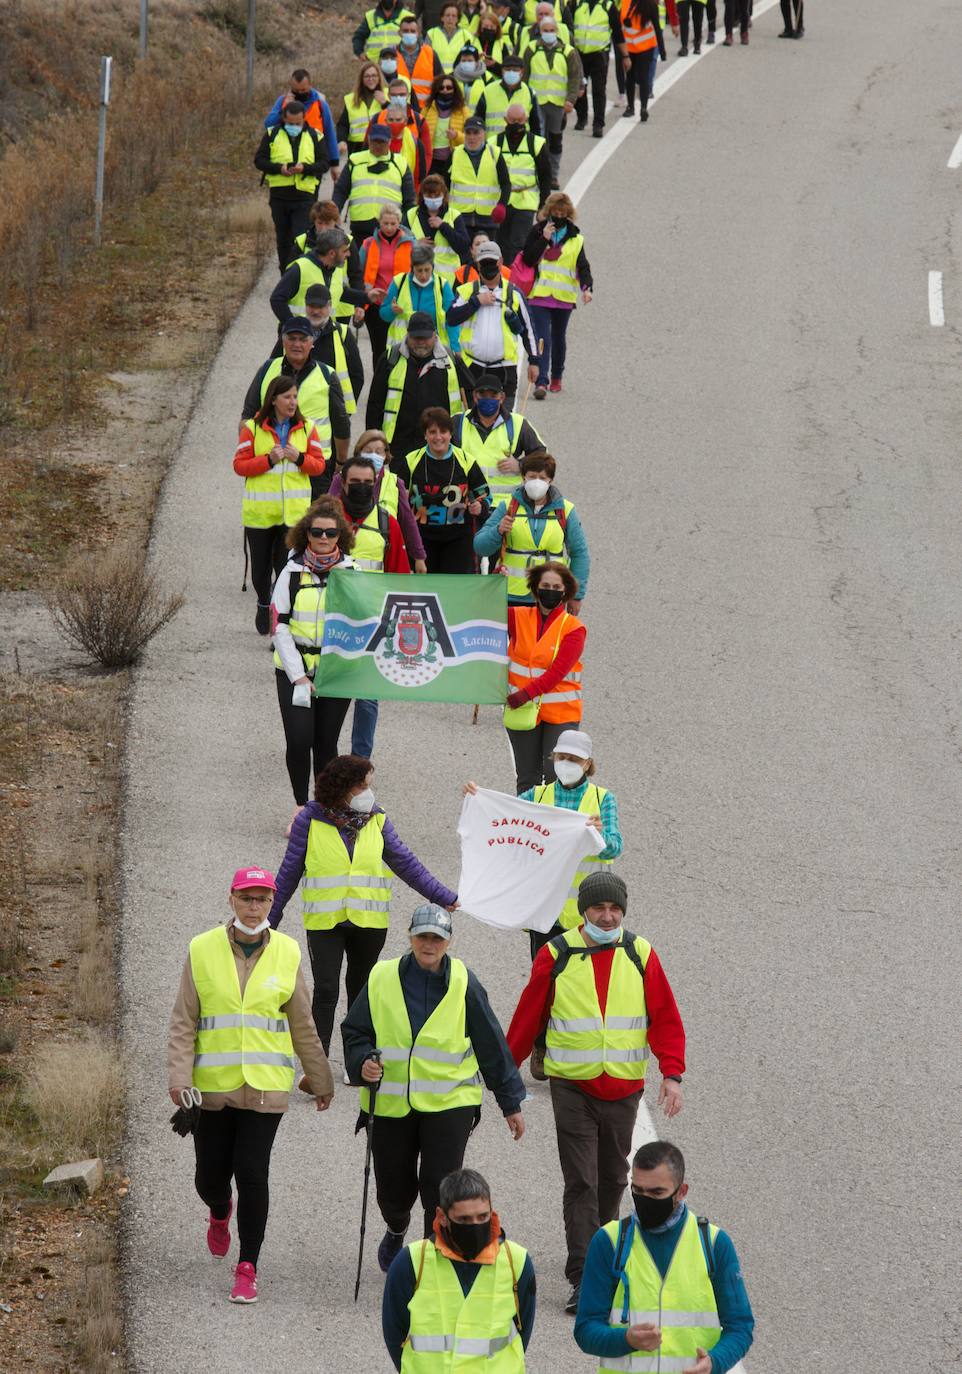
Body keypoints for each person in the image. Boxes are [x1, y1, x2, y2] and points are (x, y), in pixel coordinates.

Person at [507, 870, 686, 1311]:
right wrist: (504, 1076)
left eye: (614, 909)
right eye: (598, 909)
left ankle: (603, 1256)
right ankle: (585, 1275)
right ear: (583, 911)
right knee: (581, 1181)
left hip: (623, 1089)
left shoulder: (640, 953)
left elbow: (664, 1015)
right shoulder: (556, 954)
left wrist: (672, 1073)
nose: (606, 917)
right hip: (573, 1089)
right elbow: (529, 1015)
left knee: (612, 1179)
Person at [167, 866, 334, 1304]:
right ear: (232, 899)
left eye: (262, 899)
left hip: (266, 1089)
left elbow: (302, 1021)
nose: (254, 906)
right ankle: (220, 1211)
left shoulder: (287, 951)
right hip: (213, 1088)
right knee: (210, 1177)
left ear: (271, 903)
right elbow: (185, 1020)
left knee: (253, 1172)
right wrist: (179, 1078)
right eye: (247, 898)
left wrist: (320, 1079)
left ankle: (248, 1266)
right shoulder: (201, 950)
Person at [342, 904, 525, 1271]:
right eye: (423, 936)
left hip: (450, 1104)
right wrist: (363, 1062)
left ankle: (431, 1259)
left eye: (437, 938)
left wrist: (511, 1103)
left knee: (438, 1187)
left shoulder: (464, 982)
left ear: (448, 942)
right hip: (392, 1103)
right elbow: (356, 1031)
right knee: (392, 1192)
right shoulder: (381, 977)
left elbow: (492, 1044)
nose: (429, 944)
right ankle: (396, 1227)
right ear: (410, 938)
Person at [270, 758, 458, 1053]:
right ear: (341, 787)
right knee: (326, 990)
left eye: (369, 786)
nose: (367, 793)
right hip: (325, 923)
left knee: (361, 992)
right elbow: (288, 872)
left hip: (369, 923)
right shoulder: (309, 819)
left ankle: (356, 1057)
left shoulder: (377, 819)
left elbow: (407, 864)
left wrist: (442, 895)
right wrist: (267, 921)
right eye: (361, 786)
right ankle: (317, 1066)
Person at [575, 1141, 755, 1370]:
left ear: (682, 1191)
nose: (645, 1199)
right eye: (637, 1190)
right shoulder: (609, 1242)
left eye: (656, 1192)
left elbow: (740, 1326)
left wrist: (714, 1363)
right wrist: (626, 1340)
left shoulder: (715, 1244)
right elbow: (585, 1329)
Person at [382, 1168, 537, 1371]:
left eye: (483, 1217)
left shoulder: (516, 1261)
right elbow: (395, 1333)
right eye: (464, 1219)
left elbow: (522, 1330)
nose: (475, 1226)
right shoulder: (411, 1262)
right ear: (442, 1216)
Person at [270, 498, 358, 816]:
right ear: (306, 533)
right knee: (298, 739)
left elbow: (366, 622)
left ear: (340, 536)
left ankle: (325, 806)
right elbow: (278, 625)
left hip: (336, 673)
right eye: (317, 531)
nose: (323, 538)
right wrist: (298, 674)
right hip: (295, 671)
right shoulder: (291, 572)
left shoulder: (353, 573)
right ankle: (299, 805)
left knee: (326, 744)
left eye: (330, 533)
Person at [234, 375, 326, 636]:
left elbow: (319, 465)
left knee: (285, 570)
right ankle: (263, 602)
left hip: (294, 517)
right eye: (287, 397)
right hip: (260, 515)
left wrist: (300, 458)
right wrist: (267, 460)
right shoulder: (252, 428)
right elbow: (239, 465)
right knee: (260, 571)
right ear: (273, 399)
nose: (292, 402)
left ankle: (279, 619)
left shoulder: (308, 428)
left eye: (295, 397)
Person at [502, 562, 586, 791]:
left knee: (556, 776)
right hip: (524, 712)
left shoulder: (573, 628)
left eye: (556, 586)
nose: (550, 590)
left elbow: (557, 672)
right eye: (545, 585)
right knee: (527, 777)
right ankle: (526, 826)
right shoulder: (516, 616)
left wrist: (524, 695)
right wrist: (495, 582)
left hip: (560, 714)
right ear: (535, 589)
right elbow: (483, 609)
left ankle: (556, 826)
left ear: (565, 591)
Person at [474, 452, 590, 605]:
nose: (537, 482)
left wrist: (576, 596)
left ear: (551, 480)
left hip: (552, 596)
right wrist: (498, 530)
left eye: (542, 478)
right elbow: (480, 547)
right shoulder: (508, 506)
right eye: (532, 476)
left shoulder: (565, 510)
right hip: (510, 596)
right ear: (523, 478)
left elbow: (579, 553)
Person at [241, 318, 350, 475]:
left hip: (314, 464)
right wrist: (248, 454)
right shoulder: (267, 369)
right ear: (283, 342)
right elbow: (248, 415)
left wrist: (341, 460)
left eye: (303, 339)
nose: (297, 344)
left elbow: (341, 423)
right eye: (291, 339)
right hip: (269, 462)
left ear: (312, 342)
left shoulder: (327, 375)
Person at [446, 239, 539, 407]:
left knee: (505, 423)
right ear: (477, 264)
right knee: (470, 421)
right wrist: (475, 302)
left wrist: (534, 361)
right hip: (471, 368)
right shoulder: (466, 291)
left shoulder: (514, 294)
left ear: (501, 262)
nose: (488, 266)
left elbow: (529, 331)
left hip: (504, 370)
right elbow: (451, 318)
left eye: (492, 262)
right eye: (484, 262)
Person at [366, 312, 470, 461]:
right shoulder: (390, 359)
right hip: (399, 446)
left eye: (425, 338)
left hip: (439, 444)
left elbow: (472, 395)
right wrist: (373, 443)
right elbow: (375, 405)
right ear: (407, 335)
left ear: (435, 335)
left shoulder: (451, 360)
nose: (420, 342)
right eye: (416, 338)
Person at [400, 406, 489, 573]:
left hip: (458, 540)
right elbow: (396, 499)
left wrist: (480, 506)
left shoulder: (466, 460)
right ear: (425, 434)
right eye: (432, 432)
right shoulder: (410, 461)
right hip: (420, 539)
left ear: (450, 433)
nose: (438, 437)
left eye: (443, 431)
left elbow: (484, 496)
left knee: (454, 590)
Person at [522, 191, 592, 396]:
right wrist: (544, 239)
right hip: (539, 295)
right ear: (549, 212)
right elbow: (528, 258)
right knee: (543, 337)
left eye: (563, 213)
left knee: (558, 338)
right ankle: (541, 382)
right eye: (555, 212)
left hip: (563, 298)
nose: (559, 216)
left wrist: (587, 289)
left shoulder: (576, 239)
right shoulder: (537, 231)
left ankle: (557, 376)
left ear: (568, 214)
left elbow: (583, 267)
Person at [329, 429, 428, 573]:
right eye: (368, 450)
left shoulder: (395, 483)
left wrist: (419, 557)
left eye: (378, 451)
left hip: (382, 553)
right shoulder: (341, 478)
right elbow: (326, 511)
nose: (373, 455)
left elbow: (408, 522)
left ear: (385, 455)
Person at [452, 372, 545, 510]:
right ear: (475, 397)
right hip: (466, 505)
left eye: (493, 395)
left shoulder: (518, 424)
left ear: (501, 398)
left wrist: (521, 465)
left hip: (505, 507)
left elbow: (543, 456)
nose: (488, 399)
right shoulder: (458, 422)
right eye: (483, 395)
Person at [255, 101, 329, 272]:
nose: (294, 126)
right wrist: (279, 168)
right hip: (279, 197)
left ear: (304, 119)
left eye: (297, 123)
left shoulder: (315, 136)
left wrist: (305, 168)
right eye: (290, 123)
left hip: (304, 197)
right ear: (283, 119)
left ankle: (298, 274)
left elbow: (324, 163)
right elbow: (259, 161)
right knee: (283, 240)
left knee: (300, 238)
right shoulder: (272, 134)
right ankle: (285, 275)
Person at [332, 121, 416, 248]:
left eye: (381, 142)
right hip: (360, 228)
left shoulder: (401, 163)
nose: (377, 145)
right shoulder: (355, 160)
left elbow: (409, 200)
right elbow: (341, 191)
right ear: (369, 140)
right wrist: (334, 214)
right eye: (374, 141)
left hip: (391, 230)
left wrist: (406, 226)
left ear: (389, 142)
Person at [523, 16, 582, 186]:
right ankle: (539, 174)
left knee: (555, 139)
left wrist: (571, 99)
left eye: (551, 30)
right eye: (545, 31)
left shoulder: (568, 51)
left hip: (558, 103)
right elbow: (525, 75)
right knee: (538, 139)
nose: (548, 34)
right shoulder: (531, 49)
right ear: (540, 32)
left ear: (556, 31)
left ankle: (554, 175)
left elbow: (574, 77)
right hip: (536, 103)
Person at [269, 226, 368, 325]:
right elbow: (277, 299)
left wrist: (367, 297)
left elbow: (340, 292)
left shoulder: (334, 268)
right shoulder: (300, 268)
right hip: (298, 338)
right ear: (332, 253)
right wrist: (293, 326)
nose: (349, 254)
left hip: (324, 333)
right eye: (345, 251)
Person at [359, 203, 418, 362]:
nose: (389, 227)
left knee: (403, 348)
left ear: (399, 223)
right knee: (378, 350)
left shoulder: (411, 244)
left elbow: (418, 273)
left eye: (393, 223)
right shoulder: (368, 244)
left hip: (402, 305)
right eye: (385, 223)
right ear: (379, 222)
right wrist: (359, 304)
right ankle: (379, 384)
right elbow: (358, 274)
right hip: (375, 305)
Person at [296, 283, 365, 417]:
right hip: (295, 413)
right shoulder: (292, 332)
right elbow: (274, 368)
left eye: (320, 307)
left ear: (329, 306)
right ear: (305, 305)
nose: (316, 311)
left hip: (331, 415)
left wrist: (343, 413)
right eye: (311, 306)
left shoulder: (342, 333)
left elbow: (356, 376)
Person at [496, 106, 552, 262]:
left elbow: (545, 177)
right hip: (501, 201)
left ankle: (515, 279)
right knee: (501, 244)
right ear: (506, 120)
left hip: (526, 201)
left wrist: (543, 206)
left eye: (519, 120)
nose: (516, 123)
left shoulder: (536, 143)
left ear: (526, 120)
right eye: (512, 120)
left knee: (518, 243)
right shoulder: (495, 143)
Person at [264, 68, 339, 181]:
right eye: (296, 90)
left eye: (303, 90)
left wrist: (334, 163)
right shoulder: (282, 101)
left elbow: (329, 133)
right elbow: (268, 125)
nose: (299, 93)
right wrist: (284, 109)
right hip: (285, 165)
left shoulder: (320, 105)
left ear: (310, 85)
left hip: (313, 165)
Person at [381, 241, 460, 347]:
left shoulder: (442, 285)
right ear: (412, 268)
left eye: (427, 270)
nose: (423, 275)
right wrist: (391, 310)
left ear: (433, 266)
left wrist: (455, 347)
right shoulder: (399, 282)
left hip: (433, 346)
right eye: (419, 270)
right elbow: (383, 314)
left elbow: (452, 319)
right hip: (402, 347)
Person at [447, 116, 512, 229]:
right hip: (459, 217)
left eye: (476, 132)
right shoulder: (455, 154)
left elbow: (506, 183)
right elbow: (444, 183)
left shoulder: (495, 154)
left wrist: (502, 205)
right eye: (468, 132)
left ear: (484, 134)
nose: (472, 137)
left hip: (488, 218)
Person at [572, 0, 624, 136]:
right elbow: (569, 28)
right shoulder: (577, 4)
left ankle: (598, 124)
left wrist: (625, 56)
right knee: (580, 87)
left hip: (599, 55)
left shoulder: (608, 6)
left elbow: (618, 33)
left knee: (599, 90)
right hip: (579, 54)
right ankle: (582, 118)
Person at [375, 77, 434, 189]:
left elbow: (426, 153)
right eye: (394, 95)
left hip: (409, 182)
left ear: (408, 95)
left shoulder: (419, 120)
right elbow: (367, 148)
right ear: (388, 96)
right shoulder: (377, 119)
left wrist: (419, 180)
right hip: (381, 181)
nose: (398, 98)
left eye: (402, 95)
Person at [405, 173, 467, 277]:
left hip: (448, 280)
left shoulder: (454, 215)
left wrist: (443, 226)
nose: (433, 199)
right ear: (422, 195)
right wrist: (415, 244)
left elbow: (463, 247)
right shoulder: (411, 215)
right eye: (429, 195)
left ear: (444, 195)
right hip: (418, 277)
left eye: (437, 195)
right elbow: (399, 245)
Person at [472, 54, 541, 143]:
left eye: (515, 70)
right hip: (493, 146)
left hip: (521, 147)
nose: (511, 72)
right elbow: (478, 120)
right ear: (502, 71)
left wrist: (537, 148)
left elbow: (535, 125)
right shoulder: (488, 90)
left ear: (522, 71)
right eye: (508, 70)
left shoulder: (529, 93)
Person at [621, 0, 665, 121]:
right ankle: (631, 106)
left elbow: (657, 27)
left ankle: (643, 108)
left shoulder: (650, 4)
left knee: (643, 78)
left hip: (645, 47)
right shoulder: (625, 2)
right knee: (630, 77)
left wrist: (662, 49)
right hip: (629, 47)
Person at [419, 74, 467, 180]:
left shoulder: (463, 111)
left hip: (453, 160)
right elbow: (419, 133)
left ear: (454, 90)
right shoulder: (427, 109)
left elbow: (471, 138)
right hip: (431, 161)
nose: (445, 90)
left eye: (449, 87)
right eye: (441, 88)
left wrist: (456, 136)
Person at [339, 61, 390, 157]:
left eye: (374, 75)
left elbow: (398, 117)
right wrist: (341, 141)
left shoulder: (387, 95)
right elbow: (343, 125)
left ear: (379, 78)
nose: (371, 79)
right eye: (367, 76)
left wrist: (385, 103)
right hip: (357, 147)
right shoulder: (351, 99)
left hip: (381, 144)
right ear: (361, 79)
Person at [397, 13, 445, 105]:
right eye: (405, 31)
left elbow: (440, 83)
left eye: (412, 31)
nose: (409, 34)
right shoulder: (391, 55)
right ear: (399, 33)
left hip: (425, 109)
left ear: (418, 32)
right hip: (398, 110)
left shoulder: (430, 54)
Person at [425, 1, 468, 72]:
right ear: (442, 18)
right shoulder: (431, 33)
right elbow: (426, 58)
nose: (450, 18)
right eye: (447, 15)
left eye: (453, 16)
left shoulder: (466, 35)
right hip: (437, 76)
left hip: (459, 77)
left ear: (458, 19)